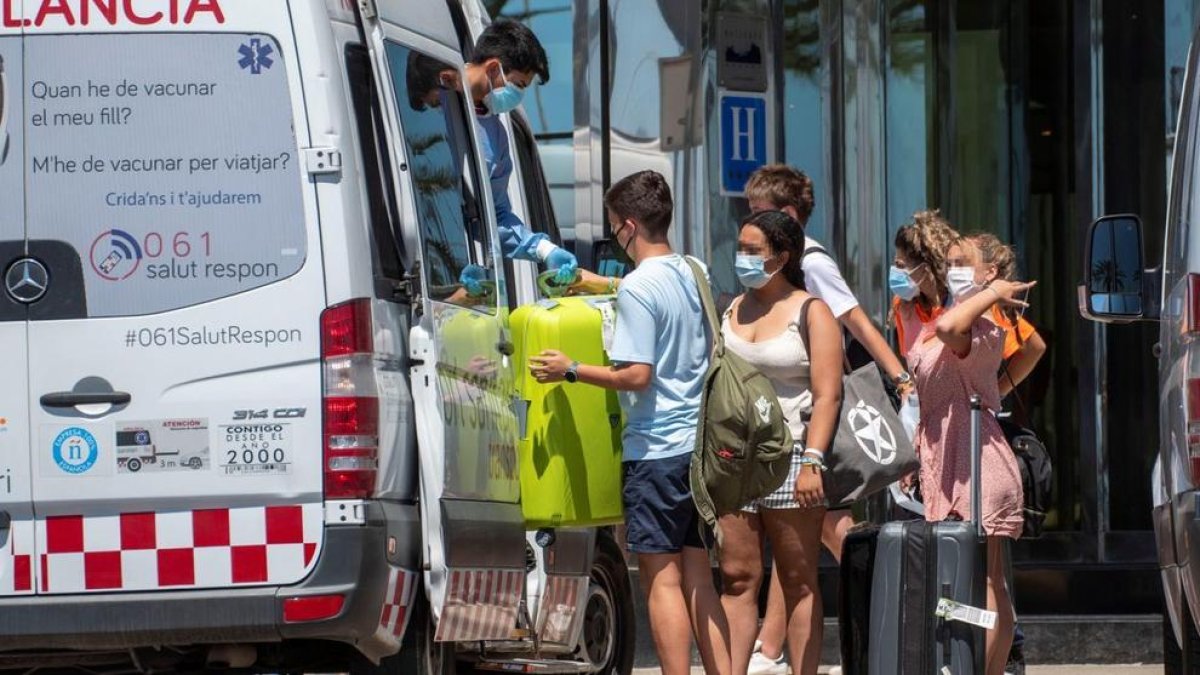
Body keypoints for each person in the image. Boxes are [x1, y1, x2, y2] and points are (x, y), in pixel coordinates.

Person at [528, 170, 731, 675]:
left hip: (657, 450)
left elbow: (637, 375)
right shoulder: (694, 270)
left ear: (629, 225)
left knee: (660, 579)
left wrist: (569, 370)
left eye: (615, 225)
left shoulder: (640, 288)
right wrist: (604, 284)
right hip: (699, 449)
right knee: (699, 577)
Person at [742, 165, 913, 675]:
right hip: (800, 420)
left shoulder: (809, 263)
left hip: (820, 418)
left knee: (832, 531)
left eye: (760, 215)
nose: (751, 227)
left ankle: (898, 616)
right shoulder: (782, 269)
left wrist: (900, 377)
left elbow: (854, 318)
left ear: (788, 216)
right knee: (799, 540)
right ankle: (770, 649)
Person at [896, 211, 1030, 675]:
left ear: (989, 273)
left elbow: (953, 332)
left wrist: (992, 294)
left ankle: (990, 670)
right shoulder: (952, 316)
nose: (952, 268)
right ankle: (963, 663)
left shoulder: (983, 324)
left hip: (976, 459)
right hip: (945, 456)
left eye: (962, 261)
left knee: (988, 579)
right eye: (948, 260)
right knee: (956, 582)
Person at [717, 210, 843, 675]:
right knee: (737, 578)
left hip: (792, 456)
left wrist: (814, 459)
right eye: (741, 249)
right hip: (733, 460)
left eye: (754, 251)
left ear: (782, 256)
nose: (742, 258)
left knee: (797, 579)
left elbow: (829, 393)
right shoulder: (731, 307)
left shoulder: (811, 310)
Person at [462, 20, 577, 286]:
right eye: (519, 85)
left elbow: (496, 216)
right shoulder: (437, 96)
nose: (518, 96)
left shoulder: (497, 134)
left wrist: (544, 250)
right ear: (493, 68)